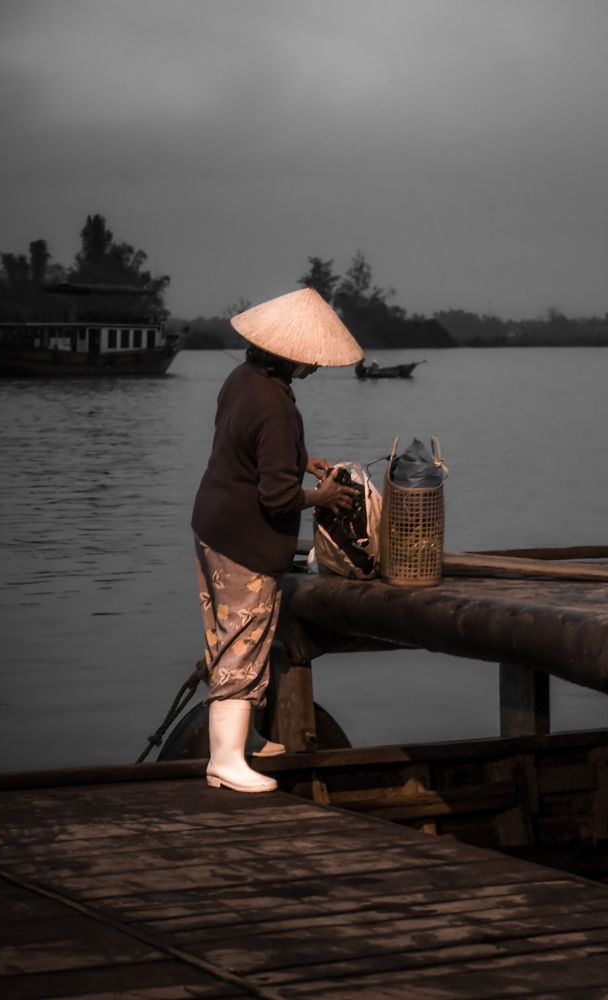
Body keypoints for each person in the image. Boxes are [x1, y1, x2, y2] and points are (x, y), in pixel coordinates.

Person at [191, 287, 363, 793]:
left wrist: (298, 461)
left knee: (229, 635)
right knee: (242, 642)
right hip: (246, 539)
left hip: (212, 525)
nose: (314, 367)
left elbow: (246, 448)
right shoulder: (277, 407)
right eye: (310, 360)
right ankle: (225, 759)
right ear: (288, 356)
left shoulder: (241, 379)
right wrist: (323, 496)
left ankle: (246, 737)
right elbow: (279, 499)